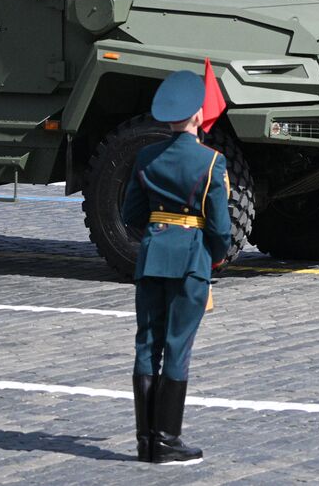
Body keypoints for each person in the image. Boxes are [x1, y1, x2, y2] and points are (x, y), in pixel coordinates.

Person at [122, 70, 232, 465]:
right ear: (198, 115)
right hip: (190, 259)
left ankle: (146, 442)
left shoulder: (146, 157)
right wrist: (214, 256)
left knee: (147, 344)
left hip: (153, 255)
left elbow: (131, 214)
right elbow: (220, 228)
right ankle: (167, 439)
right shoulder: (211, 161)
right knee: (177, 346)